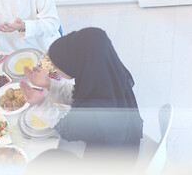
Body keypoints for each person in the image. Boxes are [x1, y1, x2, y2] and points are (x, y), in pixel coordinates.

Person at [20, 27, 143, 163]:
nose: (55, 69)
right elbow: (83, 94)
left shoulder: (96, 109)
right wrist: (50, 84)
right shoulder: (107, 74)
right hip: (127, 138)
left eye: (57, 66)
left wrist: (41, 103)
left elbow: (68, 129)